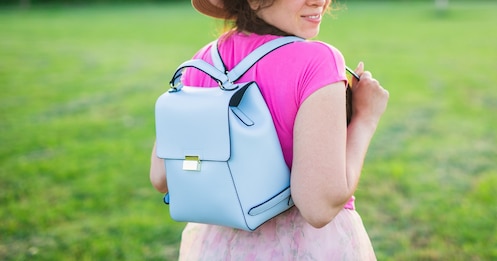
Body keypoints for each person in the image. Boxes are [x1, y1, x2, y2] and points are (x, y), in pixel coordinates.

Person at [149, 0, 389, 259]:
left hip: (218, 247)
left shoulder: (202, 62)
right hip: (303, 248)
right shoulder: (317, 62)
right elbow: (319, 208)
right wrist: (365, 119)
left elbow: (160, 177)